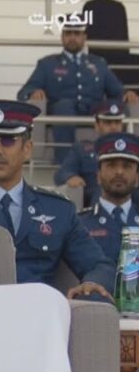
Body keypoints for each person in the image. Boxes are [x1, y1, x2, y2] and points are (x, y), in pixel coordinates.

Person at [0, 99, 114, 301]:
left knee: (95, 297)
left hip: (38, 313)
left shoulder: (58, 210)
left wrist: (91, 283)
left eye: (8, 141)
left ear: (27, 149)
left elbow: (99, 265)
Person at [17, 18, 137, 162]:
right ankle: (65, 164)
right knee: (64, 106)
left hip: (94, 111)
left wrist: (127, 94)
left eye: (77, 33)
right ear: (62, 37)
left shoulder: (98, 63)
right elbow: (24, 92)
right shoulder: (48, 64)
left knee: (111, 108)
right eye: (68, 33)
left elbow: (117, 90)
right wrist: (33, 92)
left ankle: (114, 158)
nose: (72, 38)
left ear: (84, 37)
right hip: (62, 112)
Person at [53, 100, 126, 208]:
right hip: (93, 198)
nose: (114, 127)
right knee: (102, 190)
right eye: (108, 123)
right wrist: (71, 177)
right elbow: (62, 172)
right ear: (97, 125)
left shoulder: (133, 151)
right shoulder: (82, 149)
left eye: (117, 122)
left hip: (127, 196)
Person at [79, 132, 139, 261]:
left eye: (127, 166)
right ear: (98, 176)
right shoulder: (79, 224)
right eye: (111, 165)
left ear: (137, 177)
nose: (119, 172)